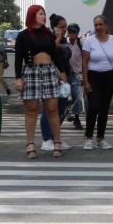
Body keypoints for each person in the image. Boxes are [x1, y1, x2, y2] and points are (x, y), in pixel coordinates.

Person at [14, 5, 67, 159]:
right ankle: (30, 143)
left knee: (52, 108)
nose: (43, 17)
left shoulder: (48, 34)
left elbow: (55, 54)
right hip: (31, 72)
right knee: (31, 108)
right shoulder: (23, 35)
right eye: (40, 14)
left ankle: (56, 142)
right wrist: (18, 78)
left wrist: (62, 71)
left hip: (49, 71)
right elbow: (18, 58)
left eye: (44, 14)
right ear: (32, 16)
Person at [82, 15, 113, 150]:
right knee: (94, 106)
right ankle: (88, 138)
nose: (98, 27)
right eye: (96, 25)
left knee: (104, 109)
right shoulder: (89, 41)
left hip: (109, 76)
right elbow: (84, 62)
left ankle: (100, 138)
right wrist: (86, 81)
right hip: (93, 76)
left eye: (100, 25)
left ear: (106, 26)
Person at [39, 14, 74, 152]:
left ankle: (56, 137)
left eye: (65, 27)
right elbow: (49, 53)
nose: (64, 29)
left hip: (65, 76)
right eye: (61, 27)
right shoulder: (47, 38)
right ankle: (46, 139)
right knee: (48, 108)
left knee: (61, 108)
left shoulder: (65, 39)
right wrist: (58, 39)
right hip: (51, 77)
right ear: (54, 27)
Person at [65, 23, 84, 130]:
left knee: (76, 95)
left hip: (77, 73)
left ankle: (76, 118)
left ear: (77, 33)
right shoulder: (64, 43)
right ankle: (60, 117)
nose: (72, 34)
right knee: (63, 95)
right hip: (65, 73)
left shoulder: (81, 43)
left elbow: (86, 58)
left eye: (74, 32)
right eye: (70, 32)